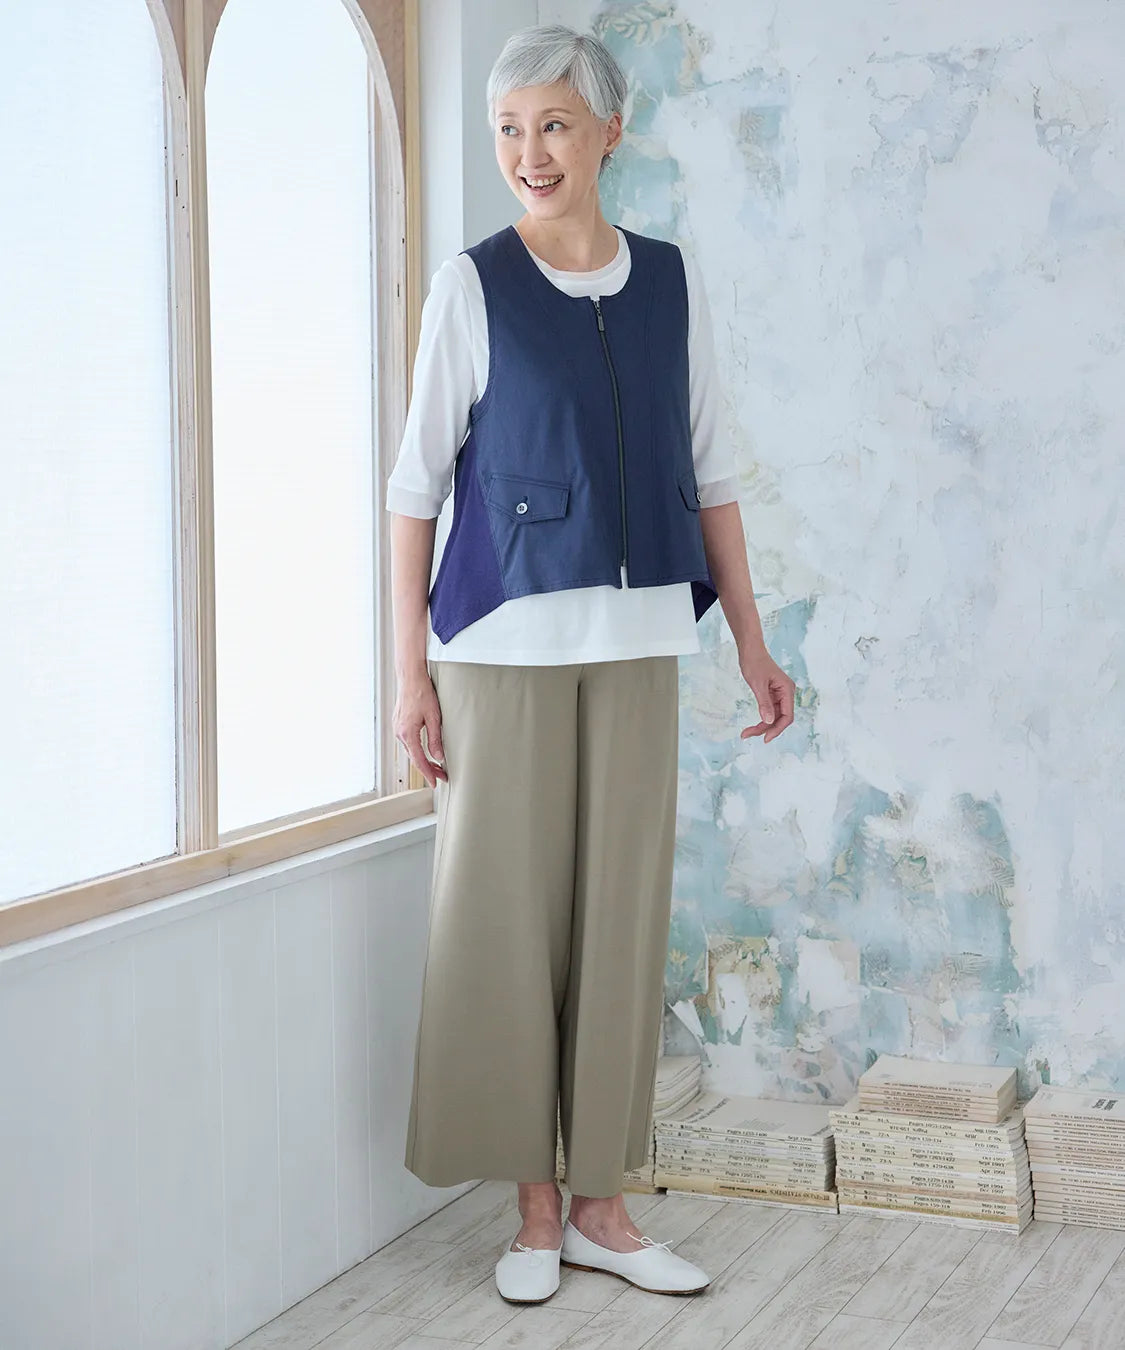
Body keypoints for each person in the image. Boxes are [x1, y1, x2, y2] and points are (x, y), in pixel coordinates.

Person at [386, 22, 795, 1305]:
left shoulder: (670, 282)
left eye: (554, 124)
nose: (530, 152)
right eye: (509, 129)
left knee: (620, 926)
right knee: (506, 927)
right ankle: (532, 1214)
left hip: (637, 644)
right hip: (497, 652)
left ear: (611, 130)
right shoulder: (471, 286)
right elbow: (412, 489)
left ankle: (605, 1211)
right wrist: (406, 672)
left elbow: (713, 470)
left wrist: (751, 636)